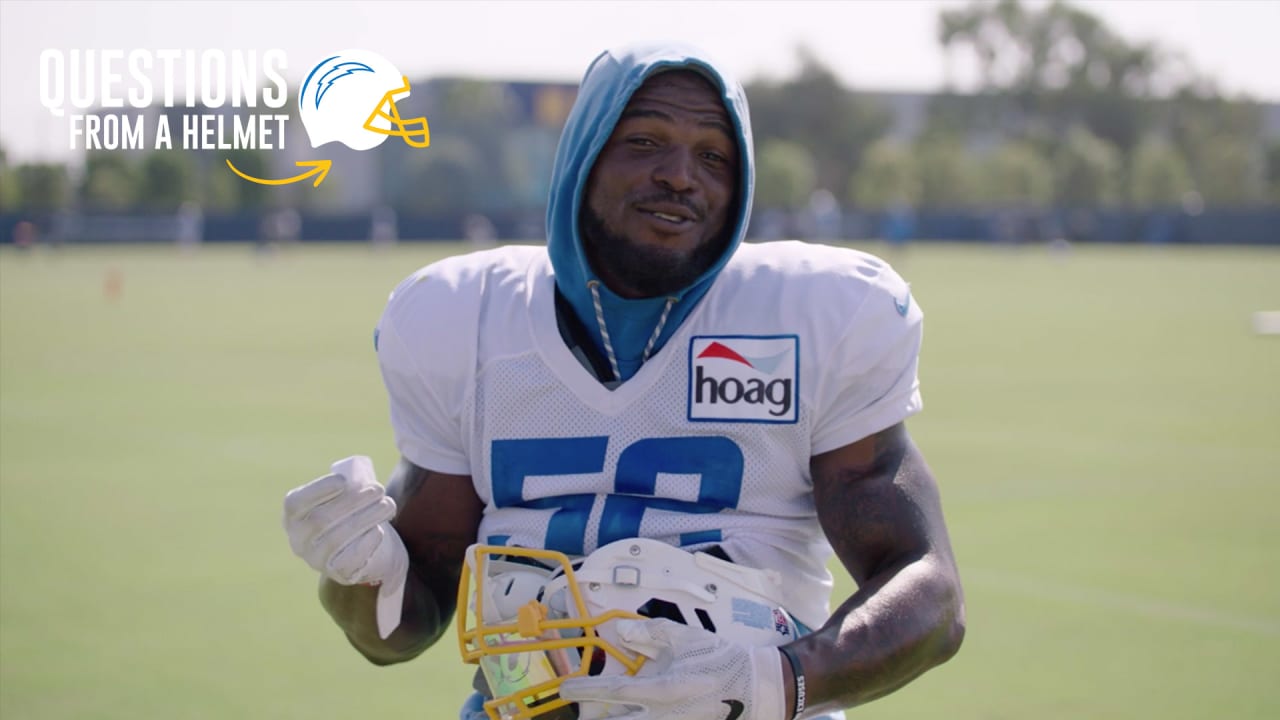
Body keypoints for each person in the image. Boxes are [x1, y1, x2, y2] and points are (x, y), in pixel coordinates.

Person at [283, 43, 964, 720]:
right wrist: (357, 575)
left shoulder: (813, 316)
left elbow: (929, 592)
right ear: (583, 156)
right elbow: (400, 630)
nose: (680, 176)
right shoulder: (467, 320)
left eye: (713, 156)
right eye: (644, 141)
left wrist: (773, 684)